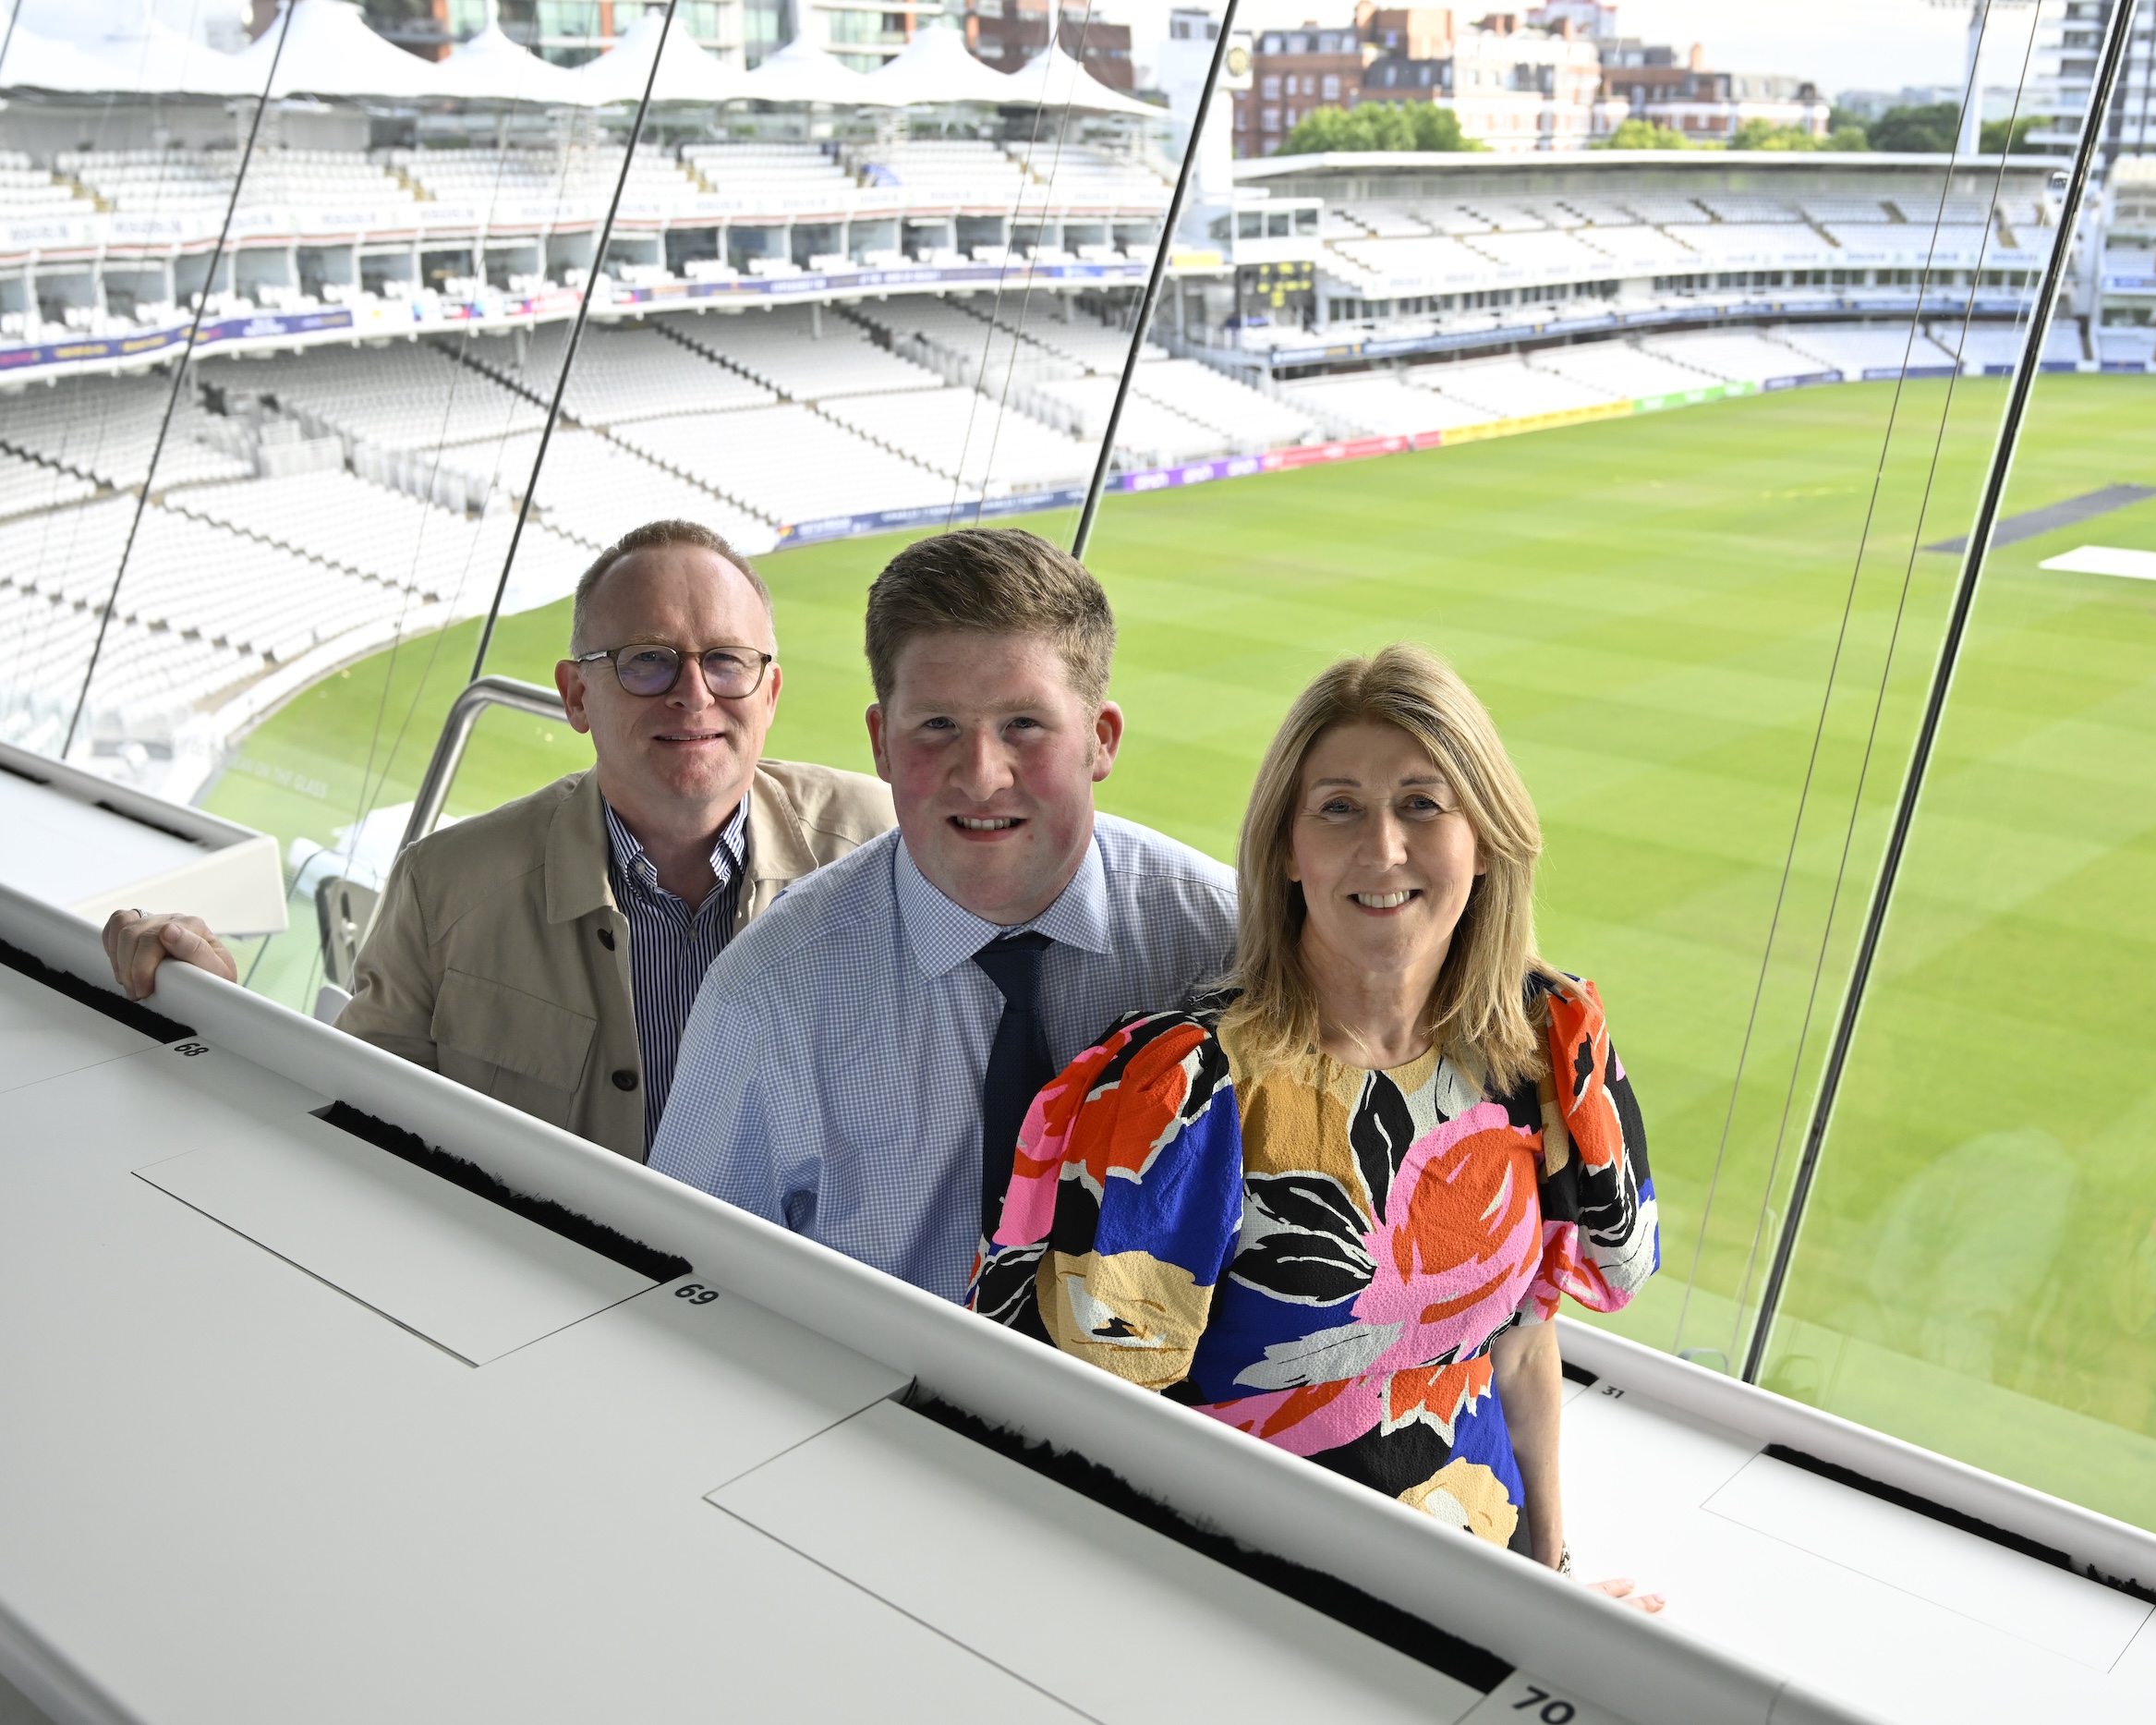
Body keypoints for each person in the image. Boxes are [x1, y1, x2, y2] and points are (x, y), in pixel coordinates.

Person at [968, 644, 1660, 1596]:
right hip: (1247, 1596)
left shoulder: (1543, 1049)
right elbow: (1084, 1427)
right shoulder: (1183, 1090)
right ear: (1288, 849)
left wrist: (1557, 1583)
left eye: (1423, 802)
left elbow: (1522, 1342)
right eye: (1338, 808)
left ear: (1486, 837)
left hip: (1481, 1582)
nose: (1383, 850)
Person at [103, 519, 895, 1161]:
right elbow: (348, 1125)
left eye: (727, 661)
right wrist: (219, 1012)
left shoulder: (890, 848)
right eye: (649, 662)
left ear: (771, 692)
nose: (694, 694)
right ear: (576, 694)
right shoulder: (441, 889)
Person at [650, 528, 1237, 1299]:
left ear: (1101, 740)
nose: (983, 774)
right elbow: (679, 1293)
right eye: (938, 727)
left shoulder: (1230, 942)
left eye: (1024, 724)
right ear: (881, 744)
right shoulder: (766, 996)